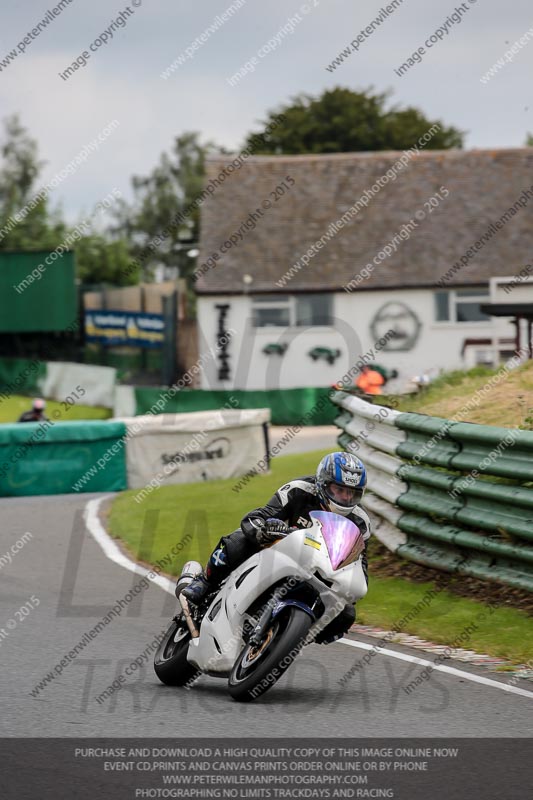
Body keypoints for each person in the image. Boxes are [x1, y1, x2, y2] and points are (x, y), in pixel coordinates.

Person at [179, 452, 371, 645]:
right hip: (277, 550)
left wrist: (350, 587)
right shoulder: (299, 490)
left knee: (346, 613)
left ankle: (294, 635)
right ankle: (205, 582)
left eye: (352, 493)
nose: (346, 498)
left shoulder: (361, 522)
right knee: (239, 539)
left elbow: (359, 565)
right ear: (323, 483)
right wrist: (264, 529)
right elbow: (258, 516)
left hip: (319, 569)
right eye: (339, 490)